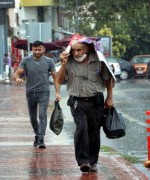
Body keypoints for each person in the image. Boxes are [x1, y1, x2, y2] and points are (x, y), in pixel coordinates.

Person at [55, 35, 116, 173]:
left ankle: (93, 161)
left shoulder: (98, 60)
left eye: (79, 50)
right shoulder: (68, 61)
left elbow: (108, 80)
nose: (76, 53)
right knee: (82, 128)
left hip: (96, 101)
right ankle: (83, 161)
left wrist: (110, 97)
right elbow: (59, 80)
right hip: (77, 101)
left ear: (86, 49)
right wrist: (63, 63)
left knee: (94, 132)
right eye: (74, 50)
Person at [14, 40, 57, 149]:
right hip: (30, 92)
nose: (37, 51)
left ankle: (41, 138)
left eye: (39, 49)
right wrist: (17, 78)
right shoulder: (26, 60)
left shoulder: (49, 61)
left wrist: (58, 92)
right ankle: (37, 134)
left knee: (42, 115)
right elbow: (17, 73)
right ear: (32, 49)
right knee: (33, 117)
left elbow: (56, 77)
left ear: (43, 49)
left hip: (44, 91)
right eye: (35, 49)